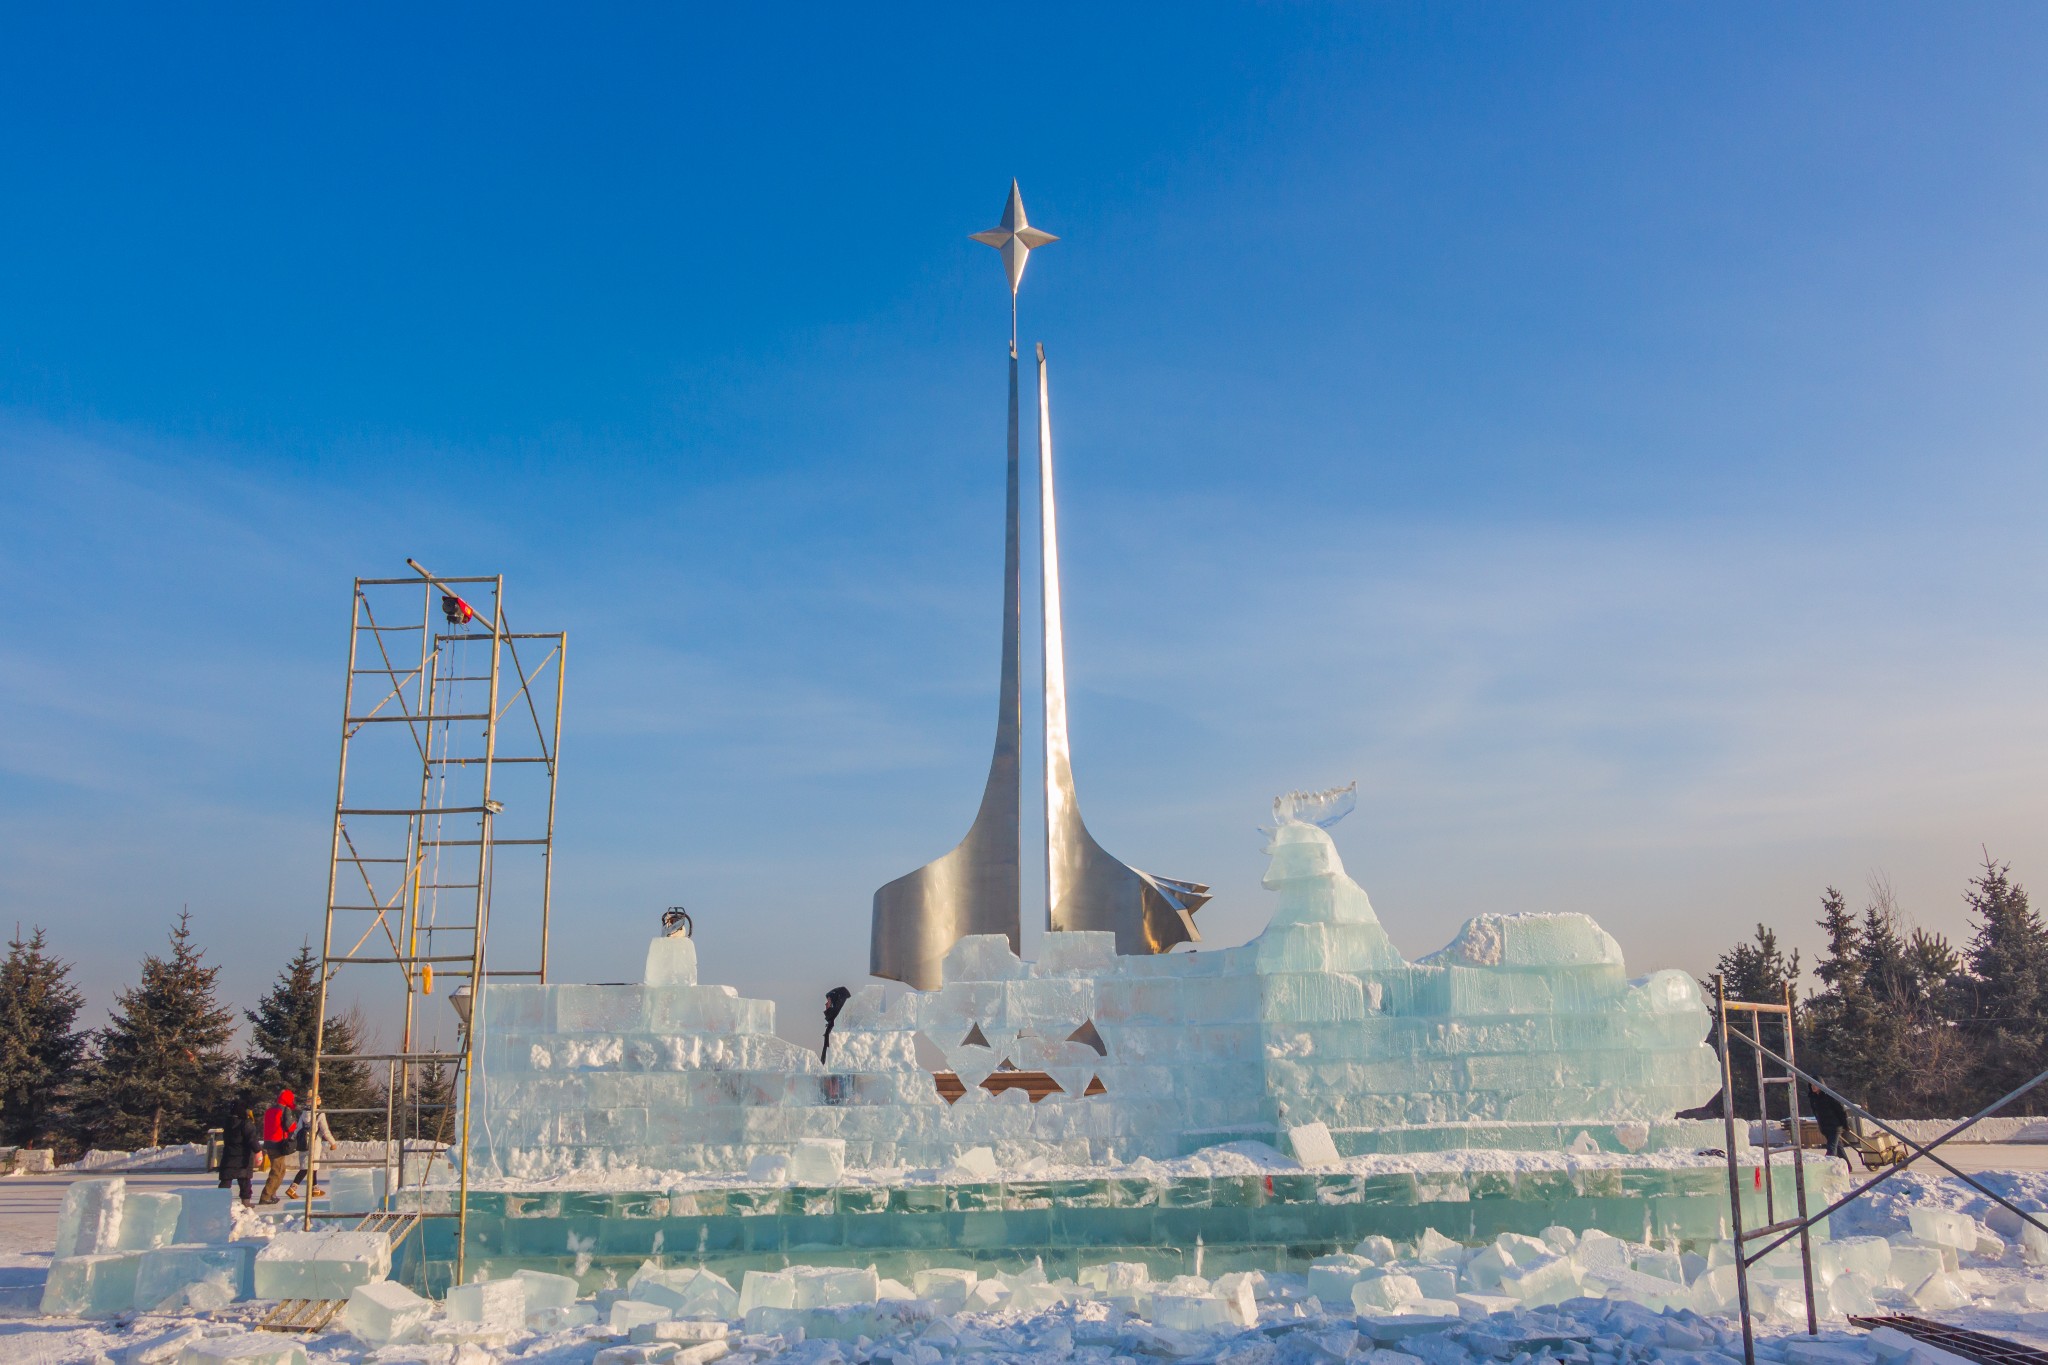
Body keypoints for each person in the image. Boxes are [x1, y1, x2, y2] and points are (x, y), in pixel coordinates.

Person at [284, 1093, 332, 1200]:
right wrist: (332, 1142)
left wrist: (293, 1138)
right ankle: (292, 1189)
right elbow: (325, 1130)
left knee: (312, 1168)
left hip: (303, 1144)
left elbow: (298, 1128)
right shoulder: (319, 1114)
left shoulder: (304, 1114)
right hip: (314, 1145)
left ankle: (315, 1189)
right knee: (306, 1168)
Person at [258, 1087, 301, 1205]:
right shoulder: (285, 1110)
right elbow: (289, 1126)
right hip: (278, 1143)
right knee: (277, 1171)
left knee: (280, 1170)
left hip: (269, 1142)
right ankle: (266, 1196)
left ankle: (272, 1194)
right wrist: (295, 1123)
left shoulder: (270, 1110)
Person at [216, 1097, 262, 1206]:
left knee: (226, 1180)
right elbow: (252, 1139)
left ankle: (219, 1202)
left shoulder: (227, 1123)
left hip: (229, 1155)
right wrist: (258, 1151)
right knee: (245, 1181)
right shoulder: (245, 1123)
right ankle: (246, 1202)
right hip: (243, 1157)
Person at [1808, 1082, 1850, 1159]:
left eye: (1815, 1085)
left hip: (1835, 1126)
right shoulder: (1813, 1098)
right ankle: (1847, 1167)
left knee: (1831, 1148)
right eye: (1811, 1085)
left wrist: (1845, 1124)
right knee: (1838, 1147)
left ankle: (1828, 1164)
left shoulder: (1829, 1096)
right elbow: (1816, 1113)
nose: (1813, 1087)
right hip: (1825, 1127)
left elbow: (1841, 1111)